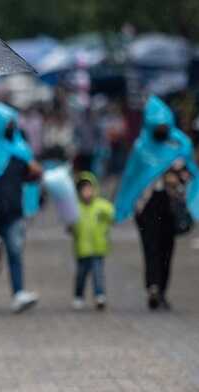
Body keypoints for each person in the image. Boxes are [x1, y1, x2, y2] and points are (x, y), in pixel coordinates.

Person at [114, 96, 198, 310]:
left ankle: (162, 290)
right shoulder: (141, 147)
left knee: (167, 248)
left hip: (171, 204)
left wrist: (178, 172)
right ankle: (153, 286)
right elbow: (131, 178)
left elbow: (191, 172)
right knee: (150, 247)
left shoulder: (180, 144)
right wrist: (123, 204)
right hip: (147, 206)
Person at [0, 102, 42, 314]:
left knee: (15, 251)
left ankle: (18, 294)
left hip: (14, 212)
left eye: (13, 123)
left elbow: (31, 177)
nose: (11, 127)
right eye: (7, 123)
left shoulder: (20, 149)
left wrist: (35, 171)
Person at [70, 172, 114, 310]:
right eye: (83, 190)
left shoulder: (102, 206)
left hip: (98, 246)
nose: (87, 192)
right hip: (82, 248)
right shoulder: (75, 207)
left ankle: (99, 295)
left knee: (98, 273)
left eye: (89, 189)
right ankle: (79, 295)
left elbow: (113, 215)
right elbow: (70, 224)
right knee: (81, 275)